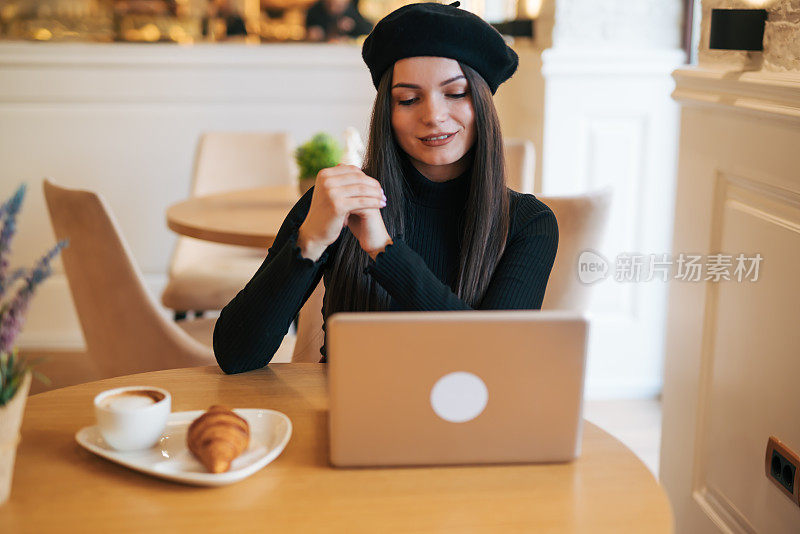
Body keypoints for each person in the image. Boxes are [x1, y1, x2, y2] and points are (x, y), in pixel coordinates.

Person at [213, 1, 559, 374]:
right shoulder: (339, 202)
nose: (433, 116)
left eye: (455, 93)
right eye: (408, 99)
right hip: (346, 420)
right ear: (387, 113)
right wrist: (309, 242)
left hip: (462, 425)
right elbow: (236, 355)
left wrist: (383, 250)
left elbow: (493, 363)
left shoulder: (528, 223)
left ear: (483, 104)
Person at [304, 0, 373, 42]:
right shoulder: (315, 10)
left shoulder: (355, 10)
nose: (333, 2)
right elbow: (308, 32)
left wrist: (353, 27)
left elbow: (369, 30)